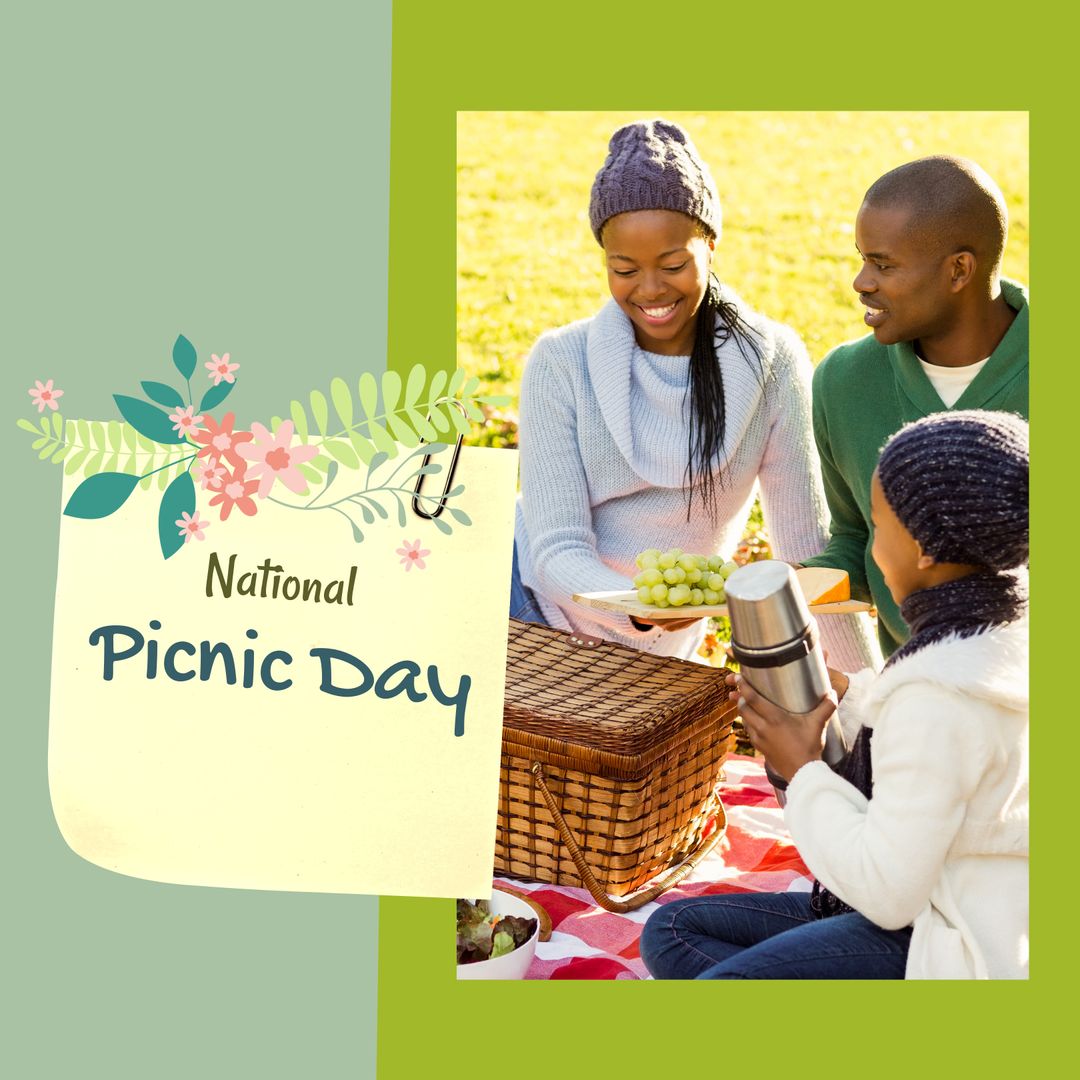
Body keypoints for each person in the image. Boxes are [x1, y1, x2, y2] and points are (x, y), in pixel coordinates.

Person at [640, 410, 1029, 979]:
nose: (872, 546)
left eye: (878, 523)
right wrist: (845, 692)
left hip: (954, 943)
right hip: (960, 902)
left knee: (720, 985)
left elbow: (885, 893)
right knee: (675, 932)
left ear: (922, 547)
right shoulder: (1000, 635)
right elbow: (936, 749)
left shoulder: (936, 699)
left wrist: (801, 769)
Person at [511, 119, 876, 670]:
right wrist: (637, 607)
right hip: (527, 611)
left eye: (674, 264)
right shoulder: (561, 362)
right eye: (624, 269)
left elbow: (805, 545)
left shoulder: (772, 361)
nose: (651, 290)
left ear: (710, 243)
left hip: (659, 645)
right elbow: (555, 549)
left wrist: (873, 693)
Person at [800, 155, 1028, 657]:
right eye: (861, 259)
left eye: (883, 264)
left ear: (959, 270)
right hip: (916, 690)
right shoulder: (842, 383)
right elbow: (858, 538)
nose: (861, 281)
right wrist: (787, 586)